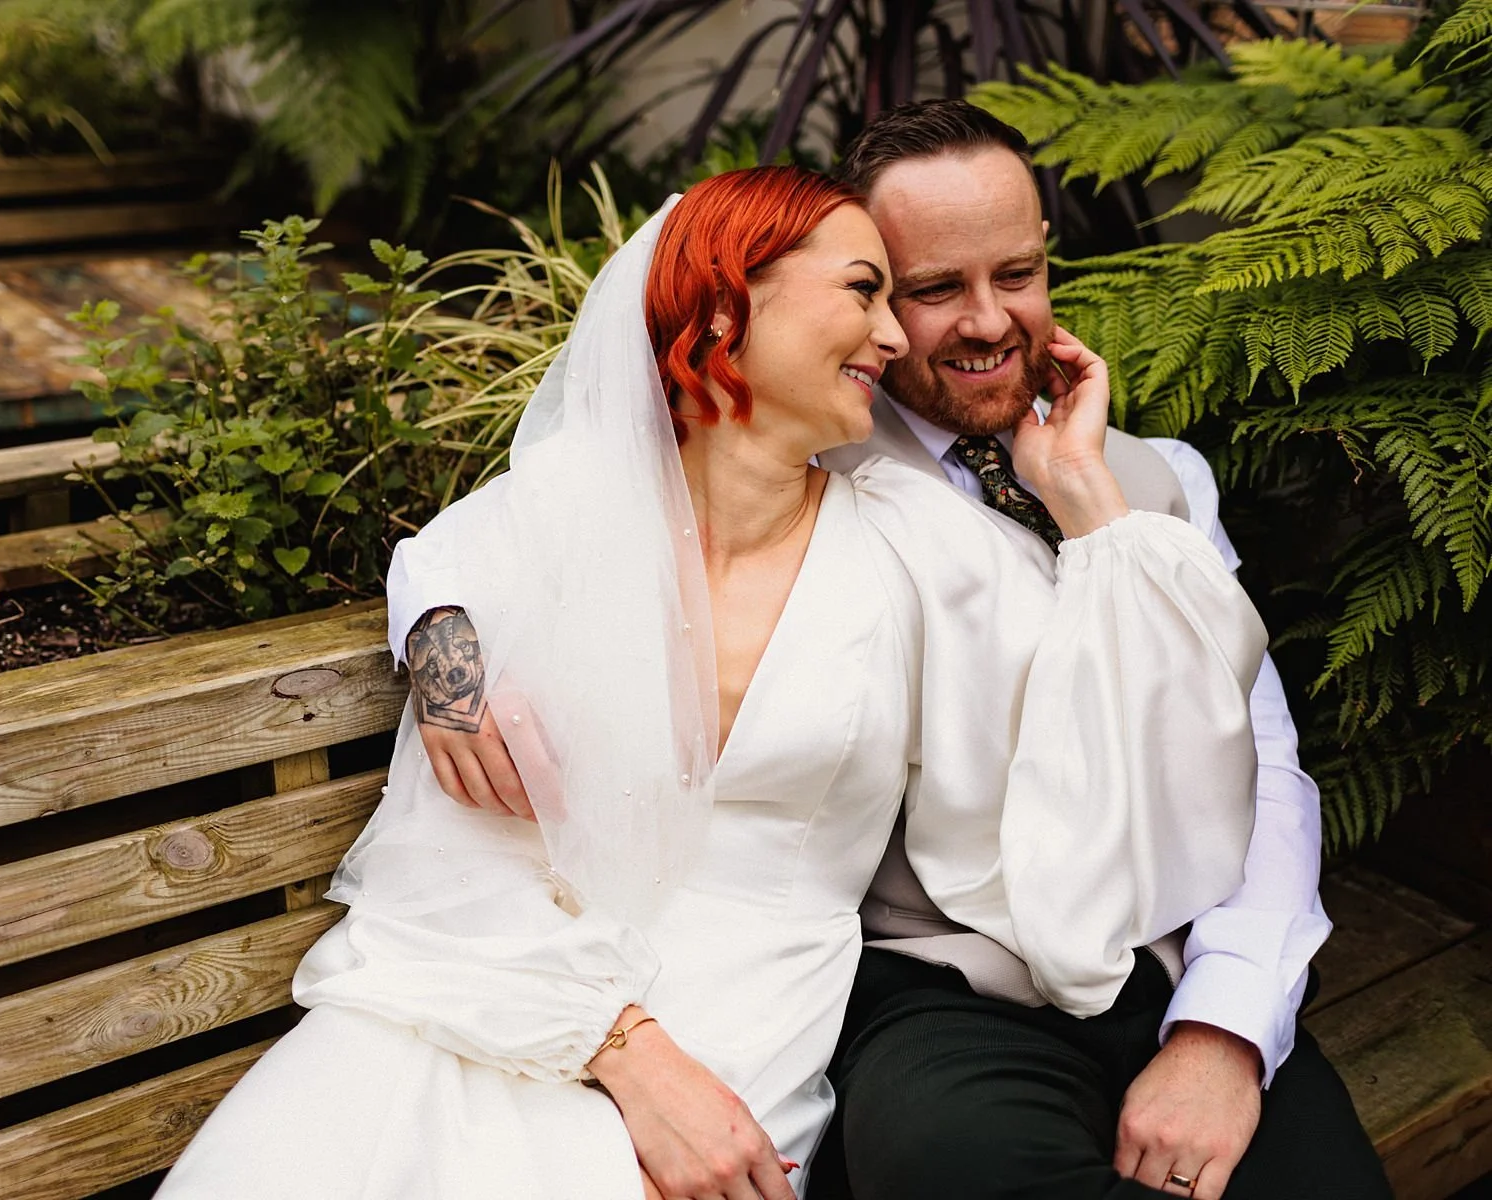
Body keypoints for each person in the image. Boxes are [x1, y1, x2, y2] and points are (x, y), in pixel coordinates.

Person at [155, 165, 1267, 1200]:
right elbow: (442, 838)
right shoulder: (553, 520)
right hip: (483, 987)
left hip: (746, 1021)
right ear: (730, 305)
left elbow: (1146, 721)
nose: (893, 336)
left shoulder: (919, 545)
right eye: (864, 291)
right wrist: (625, 1050)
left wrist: (1081, 490)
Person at [393, 104, 1390, 1200]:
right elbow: (495, 537)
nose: (987, 321)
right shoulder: (806, 464)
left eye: (1019, 274)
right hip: (933, 986)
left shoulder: (1156, 482)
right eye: (922, 289)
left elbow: (1256, 765)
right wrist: (441, 637)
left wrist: (1226, 1026)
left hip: (1174, 969)